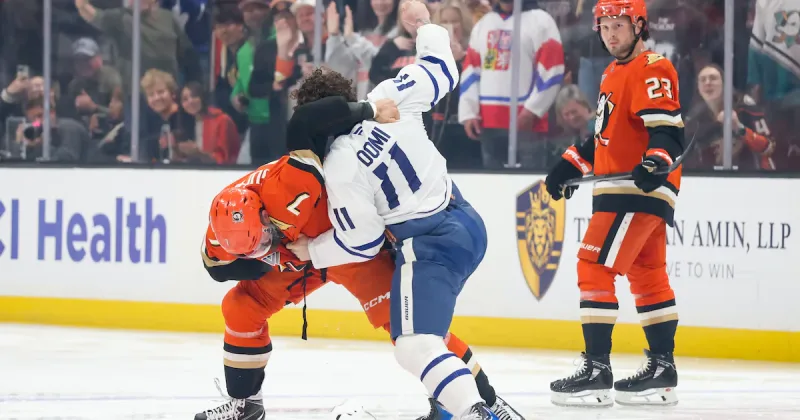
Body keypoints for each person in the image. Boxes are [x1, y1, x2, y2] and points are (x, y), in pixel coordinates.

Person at [196, 83, 517, 420]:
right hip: (297, 258)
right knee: (241, 305)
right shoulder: (222, 232)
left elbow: (307, 121)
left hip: (346, 248)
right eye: (254, 248)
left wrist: (370, 109)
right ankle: (245, 405)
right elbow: (216, 268)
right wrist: (271, 258)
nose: (264, 244)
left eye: (264, 236)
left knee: (414, 328)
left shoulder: (292, 180)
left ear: (264, 210)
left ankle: (487, 403)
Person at [286, 2, 522, 419]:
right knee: (431, 335)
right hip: (466, 220)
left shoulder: (339, 168)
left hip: (429, 247)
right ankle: (459, 408)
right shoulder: (387, 95)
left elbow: (362, 243)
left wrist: (312, 251)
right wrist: (425, 26)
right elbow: (444, 70)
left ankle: (477, 412)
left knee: (415, 344)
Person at [543, 0, 684, 408]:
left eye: (619, 25)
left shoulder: (652, 66)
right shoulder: (612, 72)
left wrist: (655, 161)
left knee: (593, 264)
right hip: (629, 190)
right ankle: (662, 370)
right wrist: (568, 166)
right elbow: (604, 137)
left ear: (639, 24)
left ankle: (596, 371)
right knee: (647, 274)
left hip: (635, 191)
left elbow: (667, 129)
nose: (611, 34)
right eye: (604, 26)